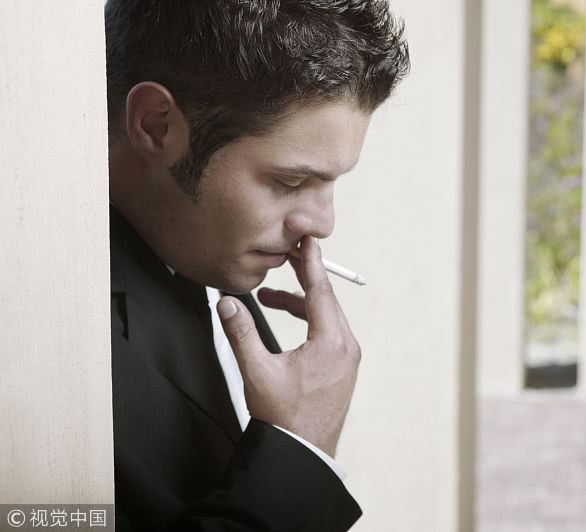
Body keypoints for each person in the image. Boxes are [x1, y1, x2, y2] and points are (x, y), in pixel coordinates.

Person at [105, 1, 409, 530]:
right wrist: (300, 446)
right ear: (155, 125)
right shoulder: (48, 343)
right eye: (290, 181)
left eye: (331, 182)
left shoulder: (206, 247)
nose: (322, 223)